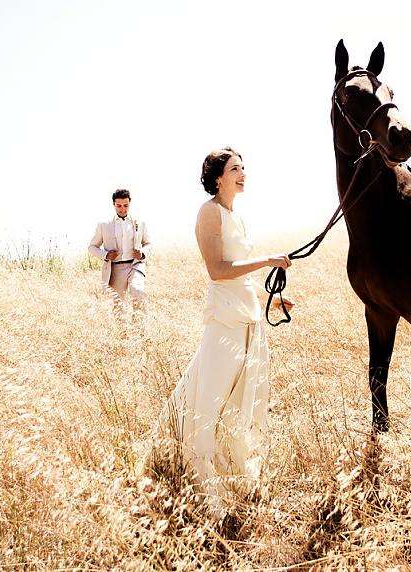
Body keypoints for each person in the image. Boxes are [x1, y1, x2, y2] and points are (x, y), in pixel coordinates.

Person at [149, 147, 294, 517]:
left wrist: (272, 301)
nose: (242, 174)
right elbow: (218, 269)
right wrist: (267, 260)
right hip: (224, 321)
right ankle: (204, 489)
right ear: (218, 177)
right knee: (208, 400)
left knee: (239, 401)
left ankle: (233, 477)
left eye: (244, 168)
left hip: (248, 319)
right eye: (234, 169)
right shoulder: (209, 213)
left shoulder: (237, 217)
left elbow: (241, 276)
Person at [88, 189, 152, 316]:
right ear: (114, 204)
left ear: (130, 204)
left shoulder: (140, 222)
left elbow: (148, 243)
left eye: (125, 205)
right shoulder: (104, 225)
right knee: (118, 305)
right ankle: (123, 334)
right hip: (116, 268)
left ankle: (140, 330)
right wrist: (106, 255)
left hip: (135, 265)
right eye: (119, 206)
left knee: (138, 292)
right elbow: (92, 247)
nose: (122, 209)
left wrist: (142, 253)